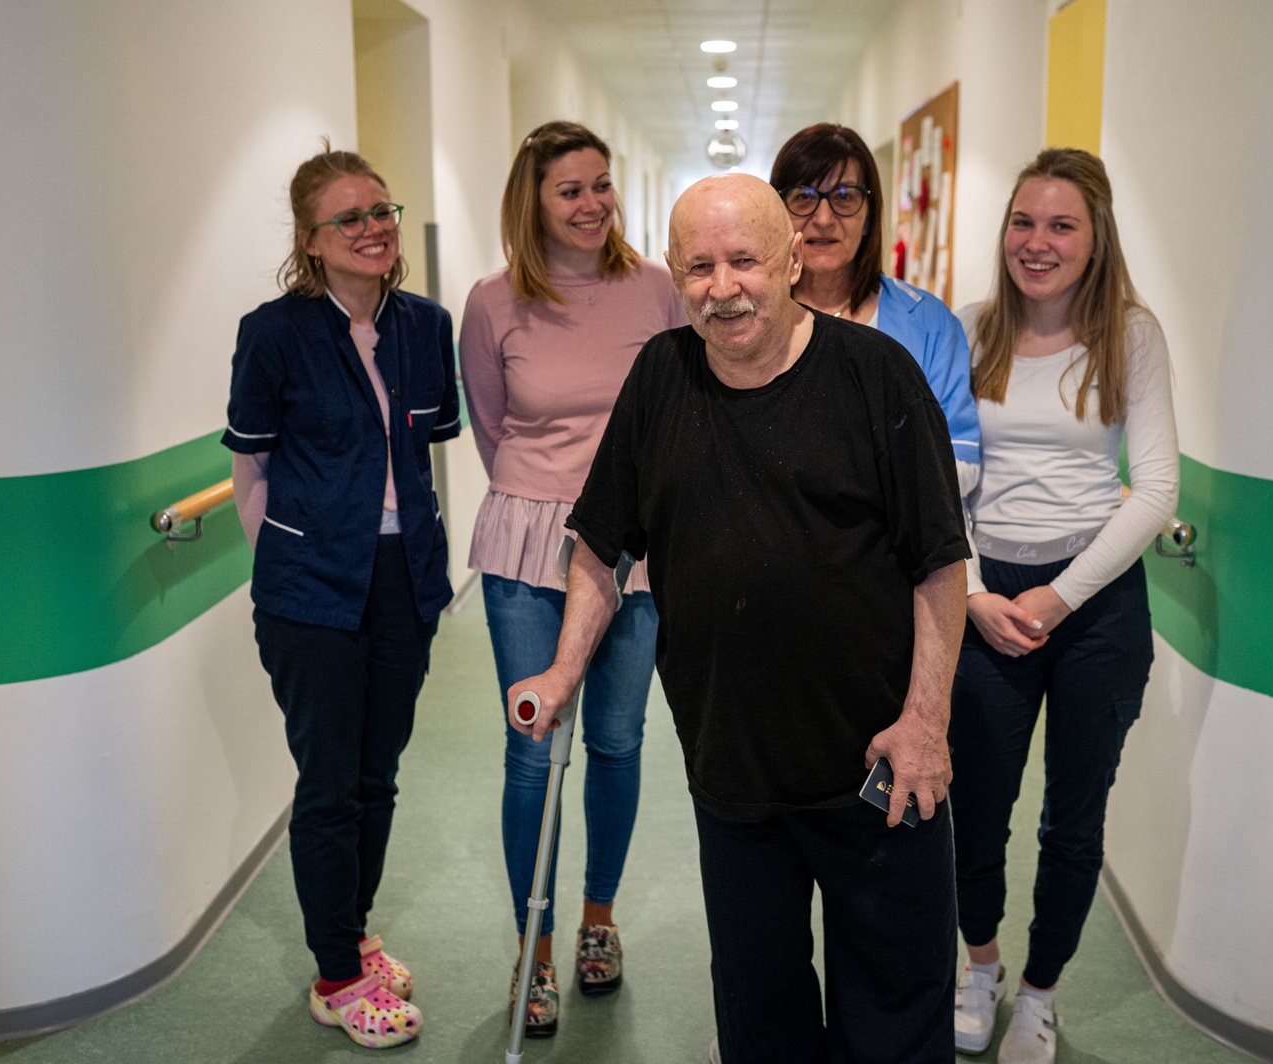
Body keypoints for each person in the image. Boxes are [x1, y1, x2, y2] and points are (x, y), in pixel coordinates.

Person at [509, 173, 972, 1064]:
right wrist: (564, 670)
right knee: (760, 1016)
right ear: (676, 276)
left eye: (744, 261)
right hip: (733, 766)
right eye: (699, 267)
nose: (723, 288)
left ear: (794, 260)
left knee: (896, 1015)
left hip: (879, 759)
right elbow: (601, 546)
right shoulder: (660, 375)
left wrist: (925, 722)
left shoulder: (877, 375)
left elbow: (940, 564)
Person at [223, 143, 459, 1050]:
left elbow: (427, 446)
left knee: (378, 775)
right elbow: (253, 462)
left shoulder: (424, 325)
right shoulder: (275, 332)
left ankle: (352, 938)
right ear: (311, 240)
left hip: (405, 582)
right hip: (311, 592)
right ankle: (335, 978)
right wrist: (284, 569)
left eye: (382, 212)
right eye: (349, 219)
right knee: (328, 786)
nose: (373, 230)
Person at [947, 148, 1179, 1063]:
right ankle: (981, 968)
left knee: (1074, 818)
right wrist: (970, 591)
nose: (1036, 244)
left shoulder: (1133, 335)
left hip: (1095, 603)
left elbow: (1154, 488)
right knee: (974, 806)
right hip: (983, 602)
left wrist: (1060, 594)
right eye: (1023, 222)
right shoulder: (968, 332)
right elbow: (940, 482)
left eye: (1061, 226)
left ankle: (1040, 994)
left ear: (1095, 238)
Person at [459, 121, 684, 1039]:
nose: (592, 204)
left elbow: (682, 408)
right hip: (527, 546)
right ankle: (534, 945)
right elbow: (489, 422)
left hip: (633, 551)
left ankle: (598, 919)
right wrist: (547, 496)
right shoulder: (491, 301)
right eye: (570, 190)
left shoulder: (658, 291)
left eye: (601, 185)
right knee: (532, 749)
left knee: (619, 743)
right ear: (534, 202)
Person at [770, 123, 980, 495]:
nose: (823, 218)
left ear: (869, 215)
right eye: (803, 196)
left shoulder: (929, 323)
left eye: (845, 196)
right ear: (777, 213)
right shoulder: (756, 320)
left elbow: (961, 465)